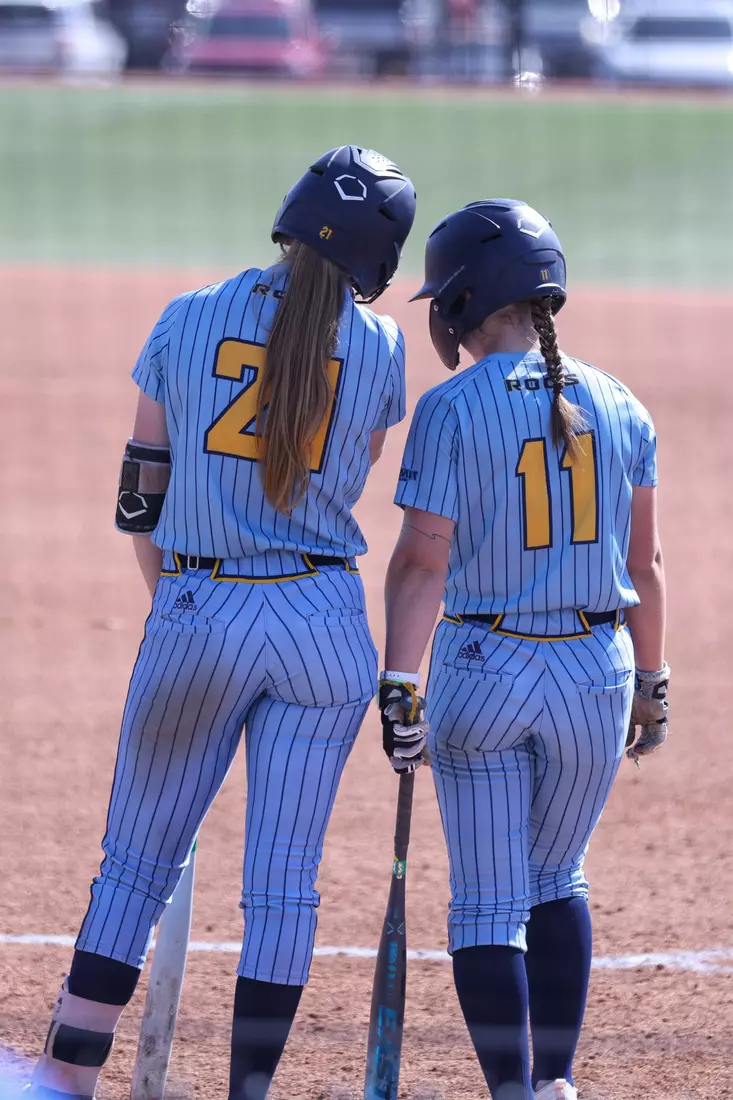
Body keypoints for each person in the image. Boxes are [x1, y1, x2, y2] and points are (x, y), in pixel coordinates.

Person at [28, 146, 416, 1100]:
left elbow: (137, 499)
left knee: (133, 868)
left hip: (199, 607)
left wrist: (182, 613)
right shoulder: (382, 348)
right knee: (284, 883)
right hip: (324, 623)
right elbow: (358, 456)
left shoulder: (187, 315)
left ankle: (65, 1076)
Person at [378, 199, 669, 1100]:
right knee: (557, 877)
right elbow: (645, 565)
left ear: (464, 298)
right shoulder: (621, 402)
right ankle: (555, 1084)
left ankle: (508, 1090)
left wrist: (398, 682)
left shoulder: (452, 407)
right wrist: (653, 683)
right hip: (596, 674)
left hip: (485, 674)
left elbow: (424, 563)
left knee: (485, 901)